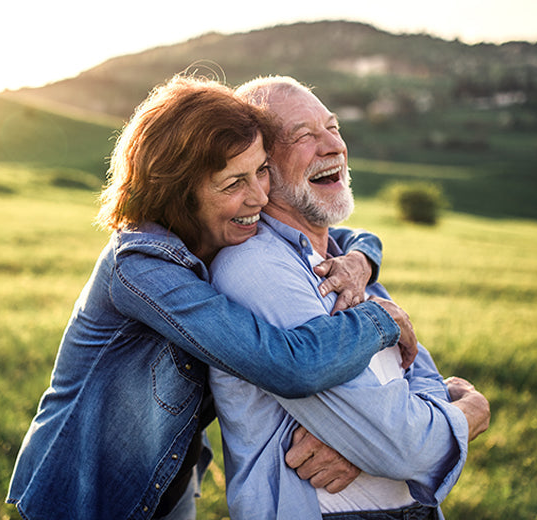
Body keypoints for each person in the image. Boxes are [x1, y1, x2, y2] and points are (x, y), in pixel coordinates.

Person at [6, 74, 420, 520]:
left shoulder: (219, 232)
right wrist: (383, 321)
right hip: (87, 495)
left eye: (261, 170)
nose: (259, 196)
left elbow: (341, 234)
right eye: (233, 184)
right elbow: (286, 364)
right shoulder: (140, 268)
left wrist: (361, 260)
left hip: (168, 481)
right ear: (180, 194)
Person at [209, 76, 491, 519]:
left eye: (334, 128)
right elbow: (403, 445)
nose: (332, 147)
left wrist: (365, 443)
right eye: (304, 136)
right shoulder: (256, 267)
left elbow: (418, 374)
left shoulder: (346, 262)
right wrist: (472, 411)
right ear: (262, 167)